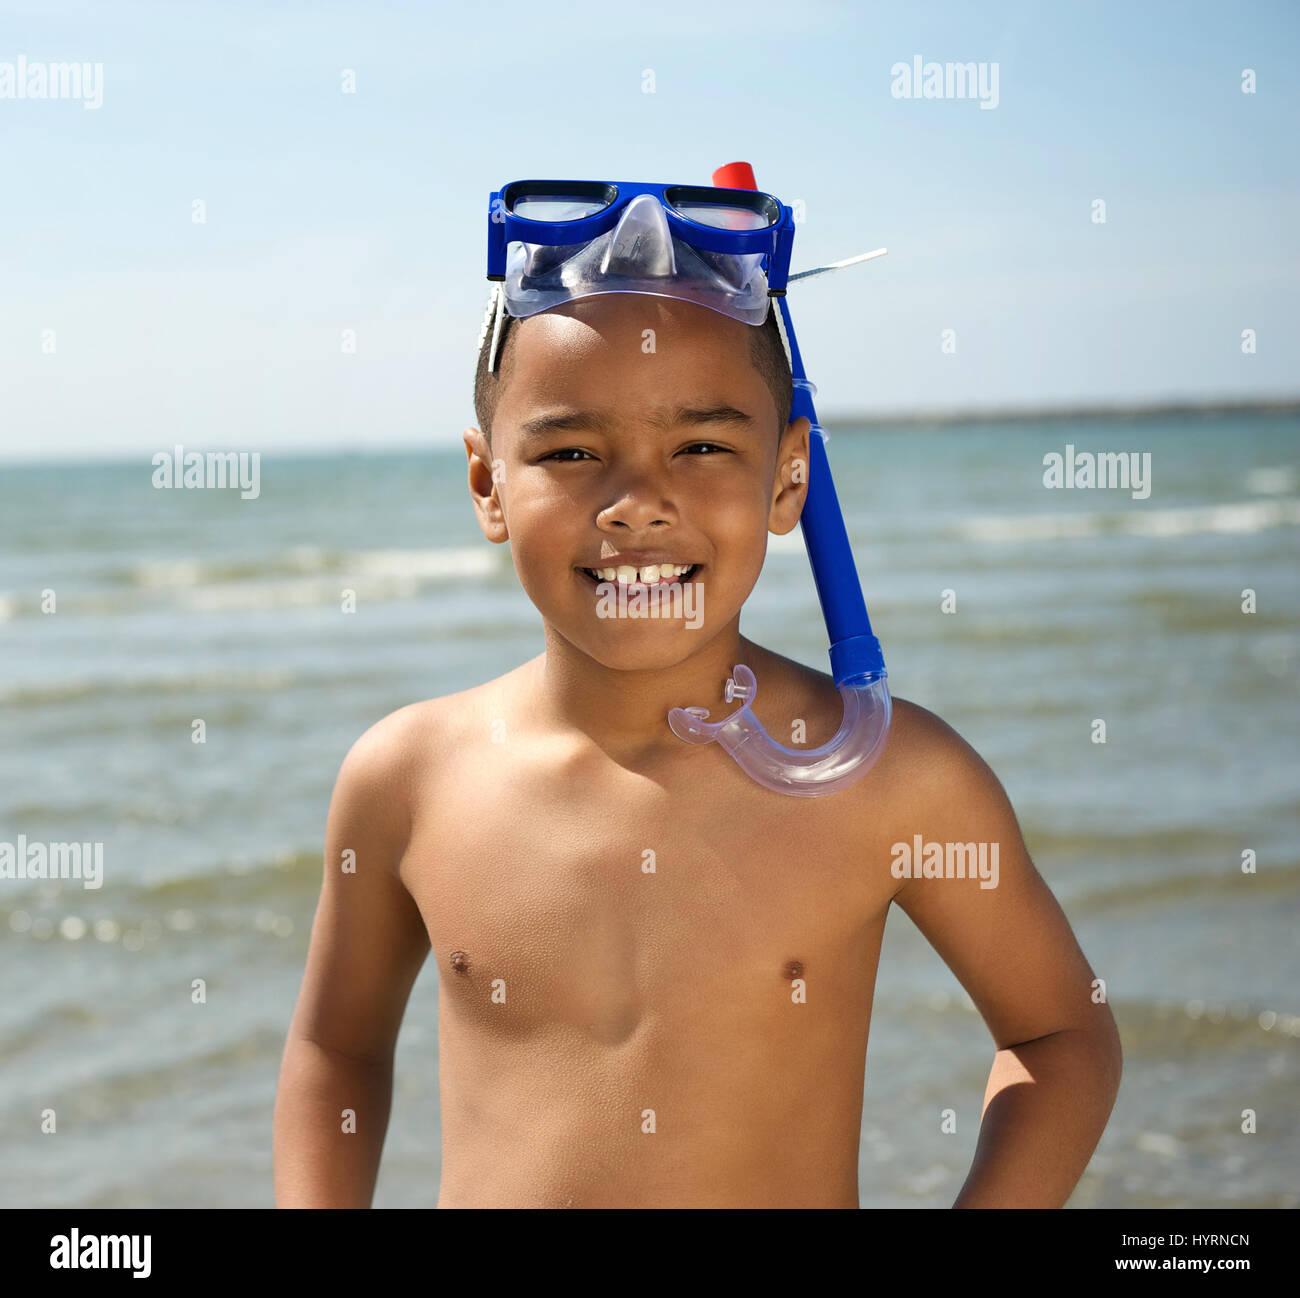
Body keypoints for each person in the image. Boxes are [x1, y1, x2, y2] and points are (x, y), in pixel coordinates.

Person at [272, 174, 1121, 1209]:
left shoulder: (891, 776)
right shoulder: (408, 777)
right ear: (489, 484)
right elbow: (335, 1047)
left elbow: (1060, 1034)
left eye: (703, 446)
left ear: (787, 477)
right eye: (572, 450)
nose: (637, 504)